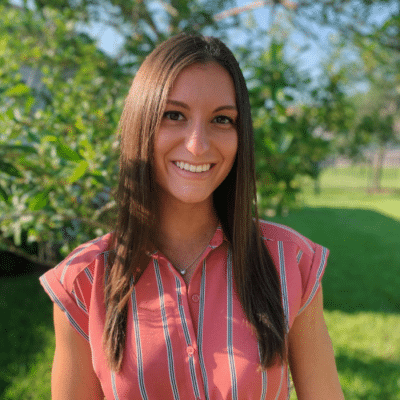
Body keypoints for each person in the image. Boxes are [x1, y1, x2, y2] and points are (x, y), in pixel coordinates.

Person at [40, 33, 344, 400]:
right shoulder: (82, 282)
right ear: (141, 123)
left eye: (221, 119)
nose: (197, 144)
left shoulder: (291, 262)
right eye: (174, 115)